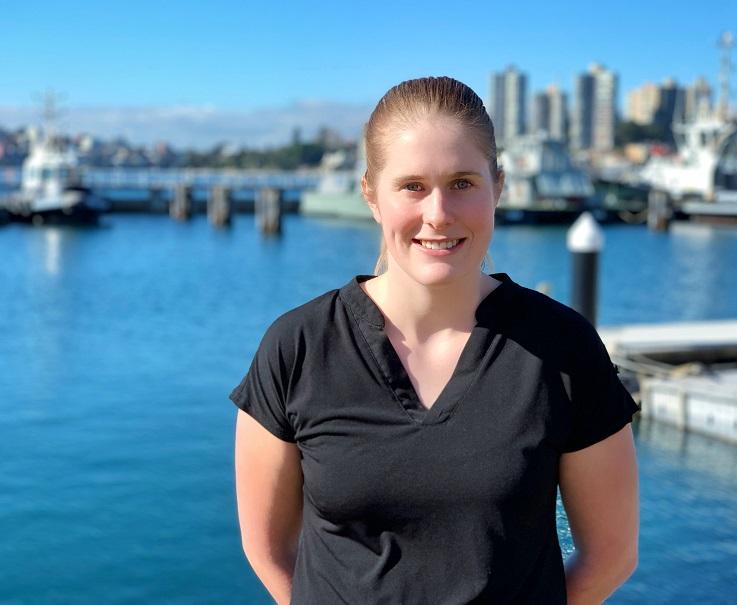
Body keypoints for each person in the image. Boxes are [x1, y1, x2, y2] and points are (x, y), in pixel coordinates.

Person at [230, 76, 639, 605]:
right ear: (371, 195)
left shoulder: (563, 348)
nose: (439, 213)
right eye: (412, 186)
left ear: (499, 187)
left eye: (463, 183)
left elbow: (612, 554)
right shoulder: (298, 347)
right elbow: (266, 548)